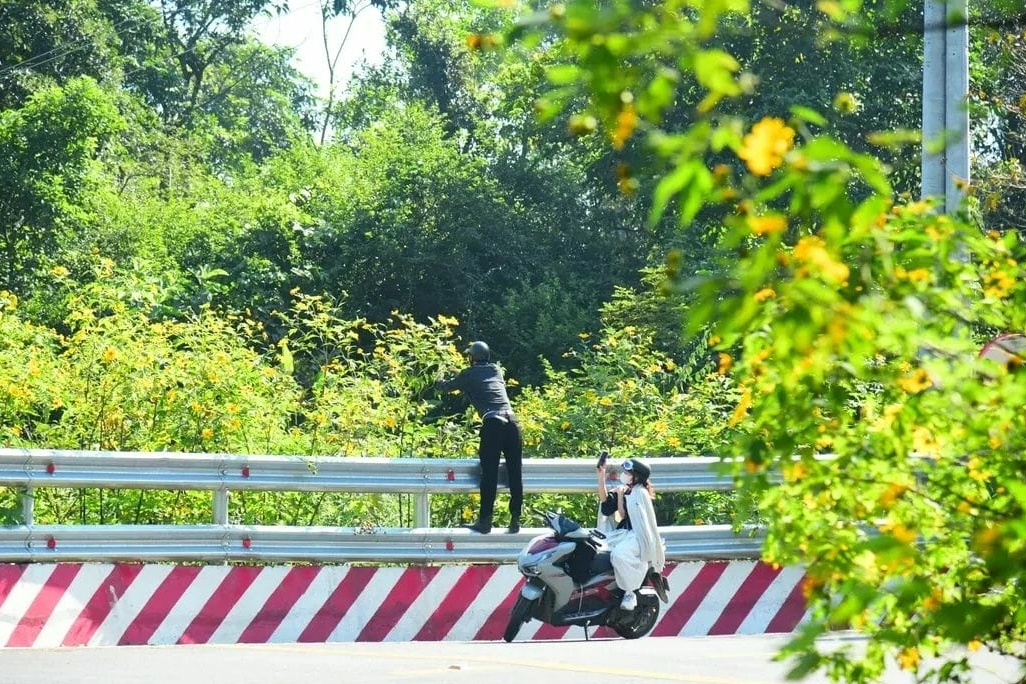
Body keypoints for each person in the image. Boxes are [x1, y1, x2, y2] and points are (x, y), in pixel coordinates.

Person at [437, 341, 523, 534]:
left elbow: (444, 387)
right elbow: (482, 380)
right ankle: (515, 519)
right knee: (515, 472)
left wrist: (440, 373)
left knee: (489, 474)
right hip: (513, 423)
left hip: (493, 424)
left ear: (471, 358)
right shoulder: (496, 370)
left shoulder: (467, 375)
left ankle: (485, 521)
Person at [596, 457, 665, 610]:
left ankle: (630, 591)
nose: (624, 475)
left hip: (637, 535)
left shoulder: (640, 494)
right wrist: (601, 476)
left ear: (636, 476)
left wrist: (621, 497)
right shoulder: (626, 490)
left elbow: (624, 515)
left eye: (628, 473)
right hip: (624, 534)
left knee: (619, 555)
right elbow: (606, 506)